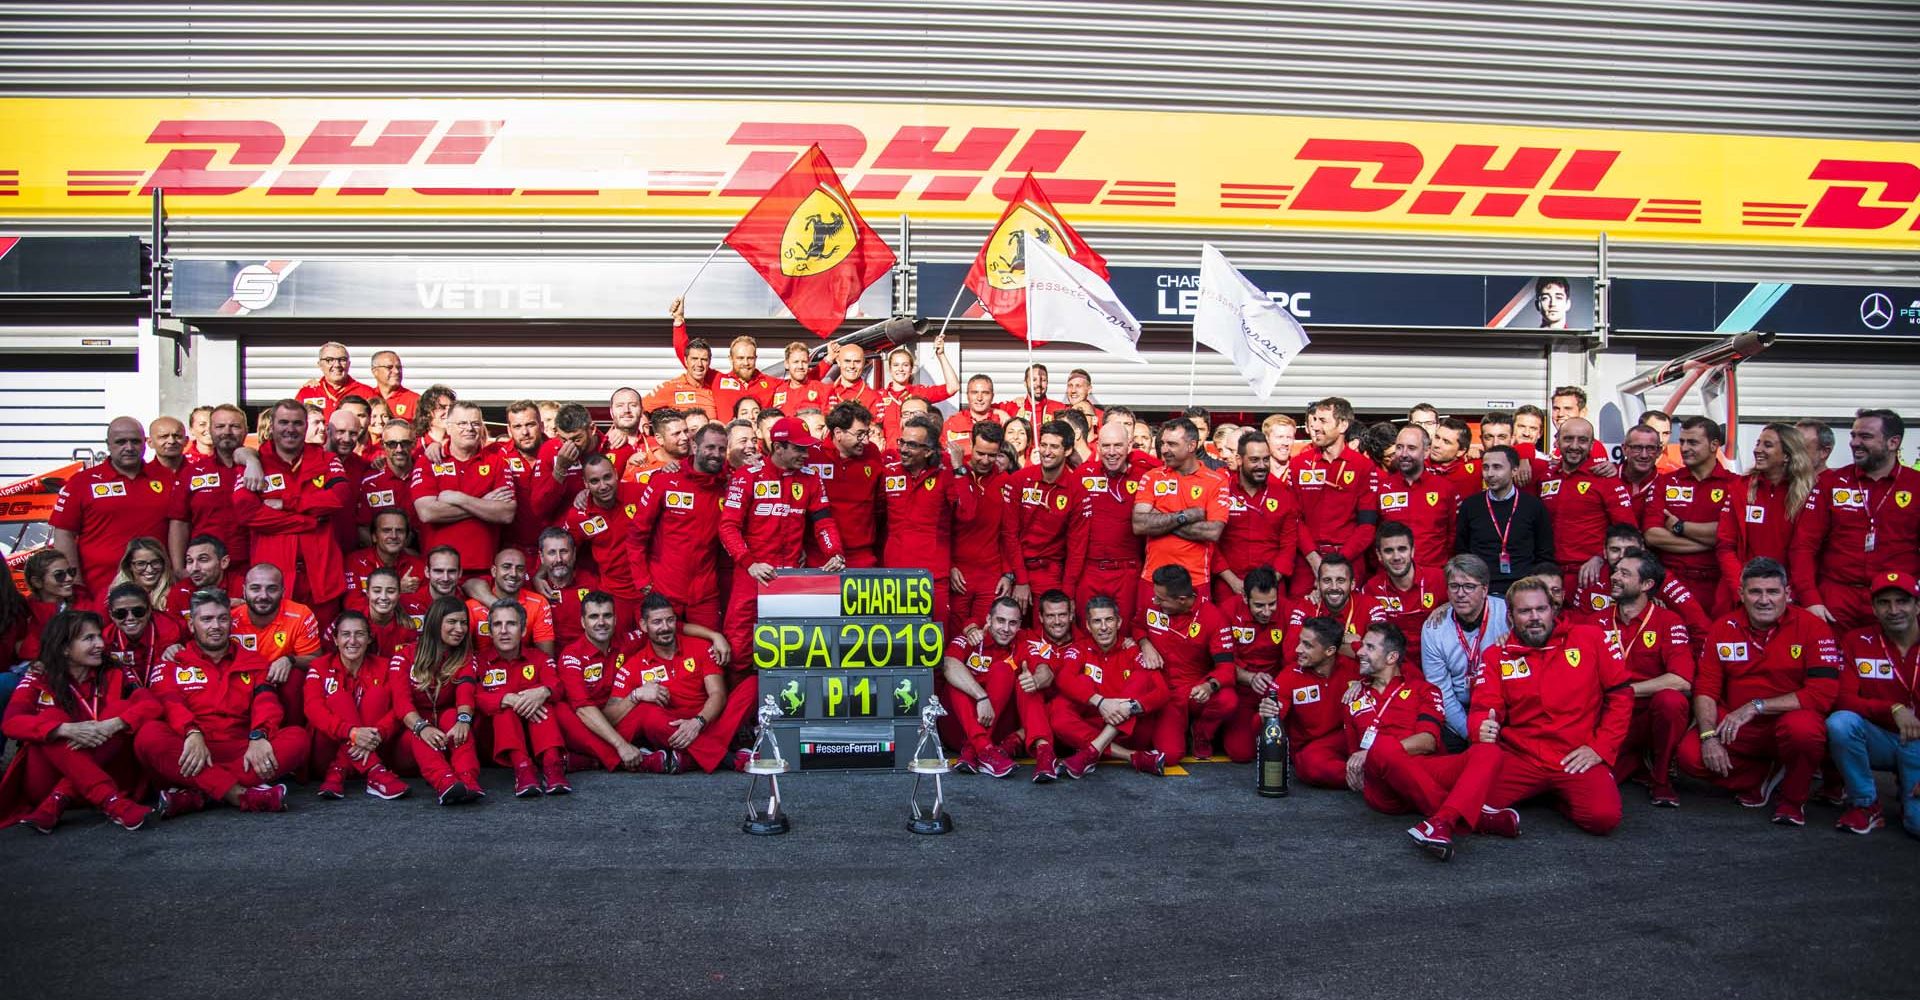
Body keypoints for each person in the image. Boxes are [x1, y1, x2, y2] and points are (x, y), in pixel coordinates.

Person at [1386, 577, 1631, 860]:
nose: (1535, 617)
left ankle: (1555, 796)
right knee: (1466, 797)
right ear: (1511, 617)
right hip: (1521, 757)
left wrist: (1600, 747)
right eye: (1525, 612)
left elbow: (1621, 696)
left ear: (1554, 609)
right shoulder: (1496, 655)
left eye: (1541, 609)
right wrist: (1481, 727)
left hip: (1575, 755)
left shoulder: (1591, 638)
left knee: (1603, 819)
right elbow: (1482, 707)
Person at [1677, 557, 1840, 826]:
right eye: (1755, 592)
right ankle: (1765, 774)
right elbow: (1706, 687)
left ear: (1788, 594)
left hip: (1784, 723)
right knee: (1690, 756)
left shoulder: (1814, 627)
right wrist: (1708, 737)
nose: (1764, 600)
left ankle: (1791, 801)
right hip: (1736, 727)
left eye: (1773, 592)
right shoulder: (1723, 627)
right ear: (1741, 594)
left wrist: (1756, 706)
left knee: (1804, 730)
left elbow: (1822, 695)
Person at [135, 588, 308, 817]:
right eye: (206, 619)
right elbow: (171, 703)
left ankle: (200, 794)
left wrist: (259, 735)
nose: (215, 626)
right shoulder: (173, 662)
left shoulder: (253, 660)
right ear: (191, 625)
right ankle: (239, 795)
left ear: (230, 622)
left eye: (222, 618)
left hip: (243, 750)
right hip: (191, 748)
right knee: (148, 735)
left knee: (298, 738)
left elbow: (266, 701)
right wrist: (192, 732)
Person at [0, 610, 159, 832]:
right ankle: (110, 802)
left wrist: (111, 725)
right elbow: (10, 722)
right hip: (48, 782)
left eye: (99, 636)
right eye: (89, 638)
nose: (100, 644)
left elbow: (152, 705)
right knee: (51, 719)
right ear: (64, 648)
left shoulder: (115, 671)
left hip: (104, 778)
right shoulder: (39, 676)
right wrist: (64, 730)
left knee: (119, 710)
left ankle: (63, 798)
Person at [718, 417, 845, 672]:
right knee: (740, 644)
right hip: (753, 575)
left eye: (807, 448)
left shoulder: (811, 478)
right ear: (778, 447)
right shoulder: (748, 476)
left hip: (791, 577)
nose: (806, 454)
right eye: (799, 449)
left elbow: (823, 522)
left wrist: (834, 552)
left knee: (792, 646)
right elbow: (727, 526)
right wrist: (749, 563)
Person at [1790, 409, 1919, 631]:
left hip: (1896, 601)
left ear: (1893, 442)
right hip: (1836, 599)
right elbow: (1803, 546)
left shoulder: (1915, 484)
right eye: (1853, 435)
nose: (1854, 443)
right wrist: (1811, 598)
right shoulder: (1831, 483)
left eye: (1865, 437)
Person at [609, 594, 760, 774]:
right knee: (647, 714)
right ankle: (727, 759)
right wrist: (636, 695)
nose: (665, 628)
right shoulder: (633, 665)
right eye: (657, 622)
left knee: (753, 683)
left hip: (707, 720)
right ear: (643, 625)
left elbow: (718, 694)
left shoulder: (700, 647)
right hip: (672, 731)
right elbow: (610, 717)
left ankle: (689, 759)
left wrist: (698, 722)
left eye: (670, 620)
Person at [233, 398, 352, 624]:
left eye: (297, 423)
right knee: (275, 648)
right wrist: (309, 521)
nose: (290, 429)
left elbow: (339, 497)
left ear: (306, 427)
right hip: (274, 580)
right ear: (272, 425)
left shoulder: (326, 459)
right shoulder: (255, 463)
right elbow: (246, 512)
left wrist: (287, 502)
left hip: (321, 577)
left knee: (322, 648)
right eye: (283, 422)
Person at [1828, 572, 1920, 837]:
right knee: (1840, 723)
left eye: (1902, 601)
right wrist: (1893, 708)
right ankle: (1865, 804)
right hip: (1880, 737)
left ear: (1917, 605)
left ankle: (1908, 793)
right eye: (1884, 602)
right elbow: (1842, 699)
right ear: (1874, 609)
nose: (1894, 610)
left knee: (1917, 826)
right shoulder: (1857, 641)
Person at [1601, 549, 1695, 807]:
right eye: (1616, 570)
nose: (1615, 577)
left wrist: (1625, 690)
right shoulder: (1595, 620)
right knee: (1602, 782)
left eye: (1624, 573)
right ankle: (1636, 761)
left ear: (1646, 584)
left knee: (1672, 701)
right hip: (1607, 718)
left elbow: (1681, 680)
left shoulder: (1668, 620)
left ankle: (1661, 779)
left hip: (1645, 716)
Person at [52, 416, 179, 596]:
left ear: (144, 443)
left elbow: (182, 527)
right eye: (121, 442)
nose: (129, 447)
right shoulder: (81, 483)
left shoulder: (168, 478)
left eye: (135, 441)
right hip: (99, 592)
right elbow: (63, 534)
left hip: (158, 591)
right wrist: (75, 584)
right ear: (108, 444)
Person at [1050, 596, 1171, 778]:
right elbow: (1064, 678)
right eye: (1097, 621)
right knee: (1059, 707)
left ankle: (1092, 751)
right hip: (1092, 727)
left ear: (1119, 622)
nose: (1104, 627)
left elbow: (1162, 691)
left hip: (1131, 730)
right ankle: (1132, 757)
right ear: (1089, 626)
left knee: (1140, 678)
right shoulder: (1080, 648)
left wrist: (1129, 707)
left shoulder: (1133, 650)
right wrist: (1101, 703)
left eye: (1109, 620)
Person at [555, 591, 674, 774]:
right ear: (583, 622)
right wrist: (621, 745)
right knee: (561, 710)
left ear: (615, 619)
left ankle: (593, 761)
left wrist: (716, 637)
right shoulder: (572, 655)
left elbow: (667, 630)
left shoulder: (627, 641)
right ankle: (634, 761)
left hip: (616, 721)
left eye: (607, 616)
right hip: (585, 728)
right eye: (594, 616)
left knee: (647, 707)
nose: (601, 622)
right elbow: (584, 709)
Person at [628, 422, 730, 630]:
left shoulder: (729, 486)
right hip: (664, 589)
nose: (716, 454)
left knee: (711, 653)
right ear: (695, 447)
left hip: (705, 594)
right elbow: (637, 535)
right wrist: (642, 580)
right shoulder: (665, 480)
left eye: (721, 449)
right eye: (710, 447)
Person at [302, 610, 410, 801]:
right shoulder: (319, 666)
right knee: (338, 699)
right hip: (326, 753)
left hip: (376, 746)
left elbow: (398, 709)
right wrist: (352, 733)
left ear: (369, 639)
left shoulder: (385, 666)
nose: (352, 641)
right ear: (335, 639)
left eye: (359, 634)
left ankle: (339, 768)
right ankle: (375, 772)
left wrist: (377, 733)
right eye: (346, 634)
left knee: (377, 695)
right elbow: (313, 709)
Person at [1136, 564, 1238, 764]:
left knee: (1227, 699)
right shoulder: (1153, 604)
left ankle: (1201, 732)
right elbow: (1136, 625)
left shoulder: (1213, 617)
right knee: (1171, 756)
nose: (1155, 601)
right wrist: (1144, 643)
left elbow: (1227, 668)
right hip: (1164, 693)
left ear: (1181, 600)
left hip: (1194, 690)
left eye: (1161, 599)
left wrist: (1209, 685)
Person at [1339, 622, 1446, 811]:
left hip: (1424, 771)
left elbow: (1428, 742)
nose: (1360, 652)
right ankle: (1450, 812)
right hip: (1383, 787)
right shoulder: (1353, 697)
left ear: (1392, 657)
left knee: (1485, 756)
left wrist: (1374, 753)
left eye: (1369, 647)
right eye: (1362, 645)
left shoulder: (1424, 690)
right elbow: (1355, 758)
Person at [881, 414, 976, 624]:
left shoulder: (947, 475)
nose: (904, 449)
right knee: (896, 642)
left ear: (929, 451)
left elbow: (967, 513)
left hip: (932, 576)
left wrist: (959, 467)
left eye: (912, 445)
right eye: (902, 442)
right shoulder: (889, 473)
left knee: (934, 641)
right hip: (894, 574)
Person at [388, 596, 483, 805]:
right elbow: (401, 703)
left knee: (453, 716)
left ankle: (468, 780)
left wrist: (463, 720)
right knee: (416, 729)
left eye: (464, 623)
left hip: (446, 738)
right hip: (411, 745)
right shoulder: (405, 655)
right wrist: (422, 727)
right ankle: (445, 783)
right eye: (452, 622)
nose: (460, 628)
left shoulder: (464, 656)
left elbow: (466, 690)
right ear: (435, 622)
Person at [941, 596, 1048, 778]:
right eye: (1000, 621)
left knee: (1003, 670)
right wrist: (981, 696)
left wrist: (1037, 679)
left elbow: (1044, 670)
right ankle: (983, 747)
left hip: (995, 731)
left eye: (1013, 623)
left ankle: (977, 750)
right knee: (957, 680)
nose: (1006, 629)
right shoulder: (972, 636)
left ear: (1020, 624)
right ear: (989, 620)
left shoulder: (1022, 642)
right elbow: (948, 665)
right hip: (957, 728)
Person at [1642, 416, 1737, 615]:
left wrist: (1680, 527)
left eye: (1693, 442)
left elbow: (1731, 535)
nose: (1684, 448)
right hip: (1670, 582)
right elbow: (1652, 535)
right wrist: (1710, 541)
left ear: (1714, 445)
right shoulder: (1665, 482)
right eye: (1682, 441)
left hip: (1717, 582)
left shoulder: (1735, 485)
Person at [1716, 422, 1816, 609]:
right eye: (1757, 443)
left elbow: (1806, 551)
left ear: (1787, 455)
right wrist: (1742, 589)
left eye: (1767, 445)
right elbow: (1725, 546)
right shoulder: (1741, 488)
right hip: (1741, 594)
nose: (1758, 450)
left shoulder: (1809, 492)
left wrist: (1790, 593)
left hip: (1788, 596)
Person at [475, 599, 569, 797]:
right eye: (497, 625)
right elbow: (474, 697)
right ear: (490, 632)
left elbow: (557, 686)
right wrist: (506, 698)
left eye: (511, 624)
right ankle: (523, 769)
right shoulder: (478, 661)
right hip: (495, 742)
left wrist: (543, 692)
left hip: (538, 735)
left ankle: (553, 766)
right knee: (504, 709)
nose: (504, 630)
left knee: (544, 704)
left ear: (523, 630)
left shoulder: (539, 658)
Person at [1066, 421, 1156, 623]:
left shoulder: (1145, 477)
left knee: (1124, 633)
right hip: (1089, 571)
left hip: (1128, 572)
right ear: (1097, 447)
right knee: (1086, 632)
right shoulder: (1082, 475)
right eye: (1106, 446)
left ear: (1130, 445)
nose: (1112, 452)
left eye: (1118, 445)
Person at [1133, 417, 1229, 606]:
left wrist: (1159, 518)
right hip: (1153, 578)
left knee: (1195, 636)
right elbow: (1138, 525)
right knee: (1150, 633)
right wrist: (1185, 516)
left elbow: (1212, 532)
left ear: (1192, 445)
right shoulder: (1152, 477)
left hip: (1195, 580)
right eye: (1162, 443)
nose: (1164, 449)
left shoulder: (1215, 481)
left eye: (1172, 444)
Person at [412, 400, 516, 574]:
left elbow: (506, 513)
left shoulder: (496, 462)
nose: (470, 428)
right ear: (449, 427)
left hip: (484, 570)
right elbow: (427, 512)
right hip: (441, 573)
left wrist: (459, 498)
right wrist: (483, 504)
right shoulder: (429, 460)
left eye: (475, 423)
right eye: (462, 423)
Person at [1290, 397, 1380, 596]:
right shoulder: (1298, 464)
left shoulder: (1363, 467)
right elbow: (1293, 519)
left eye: (1323, 421)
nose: (1314, 426)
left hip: (1348, 559)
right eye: (1314, 420)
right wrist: (1314, 560)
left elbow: (1367, 526)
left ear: (1343, 425)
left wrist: (1337, 563)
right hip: (1307, 561)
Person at [1421, 554, 1509, 752]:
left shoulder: (1508, 615)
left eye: (1469, 586)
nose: (1460, 594)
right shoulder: (1433, 628)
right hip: (1457, 710)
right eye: (1454, 586)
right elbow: (1440, 690)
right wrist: (1470, 731)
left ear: (1485, 589)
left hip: (1502, 708)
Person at [1538, 416, 1636, 591]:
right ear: (1557, 442)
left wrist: (1600, 557)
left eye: (1582, 440)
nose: (1574, 446)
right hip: (1550, 574)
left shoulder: (1606, 479)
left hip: (1591, 574)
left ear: (1591, 445)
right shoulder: (1546, 476)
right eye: (1568, 439)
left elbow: (1628, 533)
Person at [1264, 616, 1361, 787]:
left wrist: (1365, 684)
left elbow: (1396, 667)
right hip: (1311, 750)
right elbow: (1269, 722)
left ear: (1330, 651)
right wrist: (1267, 713)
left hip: (1348, 738)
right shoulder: (1290, 675)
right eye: (1300, 642)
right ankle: (1372, 780)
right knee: (1310, 764)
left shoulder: (1354, 669)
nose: (1298, 649)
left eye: (1307, 645)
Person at [228, 563, 323, 725]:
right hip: (240, 683)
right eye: (255, 588)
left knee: (295, 677)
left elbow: (316, 660)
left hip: (278, 681)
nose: (263, 595)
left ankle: (292, 729)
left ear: (283, 592)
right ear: (244, 591)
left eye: (271, 589)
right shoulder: (228, 618)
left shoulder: (300, 614)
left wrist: (290, 660)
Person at [1455, 445, 1555, 595]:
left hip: (1524, 588)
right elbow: (1462, 550)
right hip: (1482, 589)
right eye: (1486, 467)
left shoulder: (1533, 505)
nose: (1490, 474)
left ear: (1514, 470)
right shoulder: (1470, 506)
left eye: (1497, 467)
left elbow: (1544, 552)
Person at [1001, 420, 1078, 613]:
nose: (1046, 452)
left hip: (1050, 573)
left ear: (1067, 451)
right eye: (1043, 445)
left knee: (1048, 633)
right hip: (1015, 569)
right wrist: (1020, 579)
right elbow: (1009, 534)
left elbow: (1077, 547)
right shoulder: (1018, 480)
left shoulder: (1077, 489)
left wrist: (1068, 594)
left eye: (1054, 446)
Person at [561, 453, 644, 627]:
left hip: (650, 588)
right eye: (594, 481)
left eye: (607, 477)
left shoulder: (640, 493)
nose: (603, 486)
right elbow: (563, 548)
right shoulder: (578, 516)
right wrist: (539, 574)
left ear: (615, 473)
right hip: (614, 595)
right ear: (585, 484)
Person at [169, 403, 252, 573]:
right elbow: (179, 521)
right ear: (211, 430)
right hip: (204, 569)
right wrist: (178, 568)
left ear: (246, 430)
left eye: (235, 426)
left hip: (250, 566)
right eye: (220, 426)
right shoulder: (192, 472)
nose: (227, 432)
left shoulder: (260, 468)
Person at [807, 402, 886, 569]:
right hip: (819, 555)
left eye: (867, 434)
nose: (865, 441)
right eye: (859, 435)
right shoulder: (812, 455)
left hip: (861, 555)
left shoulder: (872, 452)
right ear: (838, 433)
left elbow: (880, 504)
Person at [950, 421, 1011, 634]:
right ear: (971, 445)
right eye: (980, 453)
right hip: (959, 573)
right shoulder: (954, 473)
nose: (985, 460)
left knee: (986, 636)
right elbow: (942, 526)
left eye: (992, 455)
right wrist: (948, 565)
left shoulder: (1004, 480)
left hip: (991, 575)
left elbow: (1008, 533)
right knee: (956, 636)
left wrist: (1008, 574)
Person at [1378, 422, 1459, 570]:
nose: (1403, 454)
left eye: (1411, 448)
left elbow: (1452, 536)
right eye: (1399, 447)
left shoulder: (1445, 488)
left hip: (1433, 575)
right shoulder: (1382, 488)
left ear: (1427, 451)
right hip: (1391, 577)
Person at [1363, 522, 1446, 665]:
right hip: (1395, 666)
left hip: (1438, 662)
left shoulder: (1439, 579)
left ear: (1412, 551)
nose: (1396, 557)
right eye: (1389, 551)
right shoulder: (1371, 589)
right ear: (1379, 555)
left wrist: (1448, 606)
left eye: (1402, 549)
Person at [1284, 553, 1381, 663]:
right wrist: (1344, 642)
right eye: (1327, 580)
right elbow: (1290, 654)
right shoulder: (1307, 605)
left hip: (1355, 678)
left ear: (1352, 584)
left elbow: (1378, 656)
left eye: (1340, 580)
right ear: (1318, 584)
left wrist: (1316, 646)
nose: (1334, 587)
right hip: (1314, 677)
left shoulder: (1371, 605)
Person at [462, 546, 559, 657]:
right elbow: (462, 656)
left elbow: (546, 658)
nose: (513, 573)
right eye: (506, 567)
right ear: (494, 571)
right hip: (483, 670)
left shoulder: (538, 603)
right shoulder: (472, 606)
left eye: (520, 569)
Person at [870, 337, 959, 445]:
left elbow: (953, 387)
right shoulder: (878, 396)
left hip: (915, 455)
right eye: (896, 365)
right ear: (890, 369)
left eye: (905, 365)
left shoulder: (920, 393)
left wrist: (941, 355)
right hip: (888, 457)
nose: (901, 369)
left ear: (911, 369)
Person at [102, 581, 185, 687]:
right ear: (111, 615)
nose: (130, 618)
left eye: (138, 611)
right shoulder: (106, 640)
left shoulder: (170, 631)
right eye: (120, 614)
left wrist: (179, 650)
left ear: (149, 610)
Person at [533, 528, 599, 650]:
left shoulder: (592, 583)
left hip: (585, 656)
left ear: (574, 554)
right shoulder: (532, 588)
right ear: (541, 557)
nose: (559, 559)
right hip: (547, 659)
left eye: (564, 551)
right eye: (552, 553)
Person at [357, 415, 418, 543]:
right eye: (392, 444)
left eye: (405, 443)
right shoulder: (370, 482)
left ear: (414, 443)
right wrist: (389, 554)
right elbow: (363, 529)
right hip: (386, 557)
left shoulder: (425, 473)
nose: (399, 449)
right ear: (383, 445)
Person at [345, 509, 424, 607]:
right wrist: (397, 589)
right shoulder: (354, 561)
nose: (394, 536)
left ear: (407, 537)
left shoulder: (419, 566)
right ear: (374, 536)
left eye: (400, 531)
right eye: (386, 530)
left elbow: (423, 607)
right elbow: (352, 606)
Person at [294, 342, 379, 420]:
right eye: (329, 360)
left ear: (349, 364)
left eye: (342, 360)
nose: (337, 365)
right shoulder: (308, 393)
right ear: (320, 365)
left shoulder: (366, 393)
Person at [942, 373, 1003, 460]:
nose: (979, 398)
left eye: (985, 393)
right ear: (967, 395)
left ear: (992, 396)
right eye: (974, 392)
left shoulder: (1002, 421)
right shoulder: (951, 423)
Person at [112, 536, 176, 614]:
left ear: (164, 563)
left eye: (155, 562)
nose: (150, 569)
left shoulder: (176, 594)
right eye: (141, 564)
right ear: (129, 566)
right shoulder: (110, 595)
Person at [1614, 423, 1665, 522]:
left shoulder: (1666, 485)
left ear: (1659, 451)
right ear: (1624, 449)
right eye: (1637, 448)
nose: (1644, 455)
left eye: (1650, 448)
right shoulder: (1607, 477)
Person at [768, 341, 832, 413]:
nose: (800, 366)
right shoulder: (778, 390)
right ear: (786, 364)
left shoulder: (822, 389)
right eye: (796, 362)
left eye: (804, 362)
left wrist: (830, 358)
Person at [997, 363, 1067, 427]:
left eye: (1043, 380)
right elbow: (987, 408)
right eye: (1034, 380)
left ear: (1047, 383)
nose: (1038, 384)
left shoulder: (1059, 408)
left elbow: (1076, 409)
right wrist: (999, 412)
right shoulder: (1013, 406)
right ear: (1025, 383)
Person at [1425, 417, 1480, 497]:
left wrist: (1482, 453)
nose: (1436, 445)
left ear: (1460, 451)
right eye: (1437, 437)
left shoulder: (1476, 467)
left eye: (1446, 442)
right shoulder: (1417, 465)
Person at [368, 350, 421, 425]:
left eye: (399, 367)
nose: (396, 371)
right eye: (389, 367)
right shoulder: (368, 396)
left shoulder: (414, 400)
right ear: (375, 371)